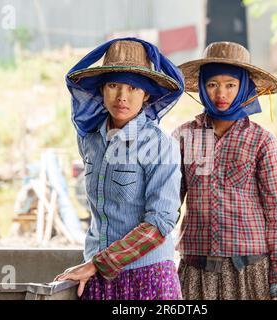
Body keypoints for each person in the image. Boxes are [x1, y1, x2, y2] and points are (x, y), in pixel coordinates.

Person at [54, 38, 184, 300]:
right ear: (102, 90)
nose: (122, 96)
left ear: (146, 94)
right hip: (96, 276)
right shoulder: (90, 140)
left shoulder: (160, 145)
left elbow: (160, 222)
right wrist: (94, 265)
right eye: (114, 85)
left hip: (147, 276)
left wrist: (97, 264)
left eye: (133, 87)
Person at [173, 41, 277, 300]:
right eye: (212, 84)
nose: (221, 94)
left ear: (244, 88)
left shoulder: (262, 141)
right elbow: (168, 204)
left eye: (231, 85)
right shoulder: (184, 136)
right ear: (203, 87)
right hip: (196, 273)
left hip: (250, 272)